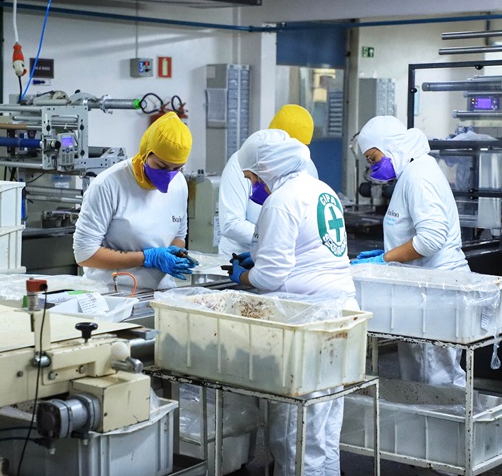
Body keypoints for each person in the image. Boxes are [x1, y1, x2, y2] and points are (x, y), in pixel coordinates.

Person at [227, 128, 357, 476]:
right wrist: (260, 255)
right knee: (324, 424)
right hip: (340, 312)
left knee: (295, 432)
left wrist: (243, 276)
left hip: (305, 318)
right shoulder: (321, 188)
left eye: (251, 176)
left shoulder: (281, 200)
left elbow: (270, 277)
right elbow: (306, 249)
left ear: (266, 169)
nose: (252, 185)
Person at [351, 115, 469, 387]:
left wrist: (384, 259)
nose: (373, 167)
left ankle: (445, 417)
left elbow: (431, 239)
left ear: (390, 146)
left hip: (437, 290)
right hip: (422, 290)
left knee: (436, 379)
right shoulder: (412, 172)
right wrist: (387, 254)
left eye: (373, 158)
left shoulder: (418, 176)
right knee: (420, 379)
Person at [73, 111, 197, 290]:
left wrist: (176, 254)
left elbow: (178, 236)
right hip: (113, 293)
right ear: (146, 151)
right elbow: (84, 254)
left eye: (176, 168)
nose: (168, 175)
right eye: (161, 166)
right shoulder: (108, 185)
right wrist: (147, 258)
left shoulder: (179, 184)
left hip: (162, 292)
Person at [217, 104, 319, 259]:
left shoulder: (307, 166)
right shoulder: (242, 162)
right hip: (239, 255)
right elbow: (231, 223)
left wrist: (284, 242)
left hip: (285, 255)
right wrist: (275, 239)